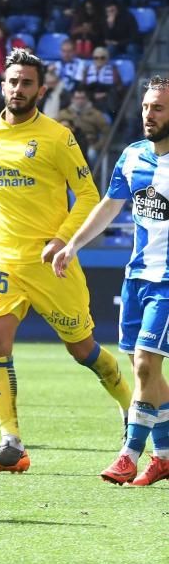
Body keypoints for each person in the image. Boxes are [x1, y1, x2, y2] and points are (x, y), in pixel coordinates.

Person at [0, 49, 132, 473]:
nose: (17, 89)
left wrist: (62, 239)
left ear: (40, 89)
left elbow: (88, 195)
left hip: (51, 263)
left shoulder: (57, 136)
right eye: (12, 81)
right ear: (3, 84)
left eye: (26, 83)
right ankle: (11, 443)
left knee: (82, 349)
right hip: (4, 258)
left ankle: (131, 407)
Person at [53, 76, 169, 486]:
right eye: (145, 107)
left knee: (144, 364)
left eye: (157, 108)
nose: (148, 115)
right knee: (149, 372)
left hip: (168, 282)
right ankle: (166, 455)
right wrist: (72, 245)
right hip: (137, 276)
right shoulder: (134, 156)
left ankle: (129, 453)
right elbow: (108, 206)